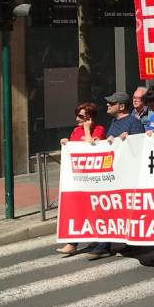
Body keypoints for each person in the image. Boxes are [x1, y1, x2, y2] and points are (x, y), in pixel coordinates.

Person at [57, 103, 104, 255]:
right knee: (77, 209)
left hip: (94, 179)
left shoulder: (99, 129)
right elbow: (73, 148)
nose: (77, 119)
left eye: (81, 116)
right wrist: (66, 142)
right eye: (77, 115)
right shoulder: (76, 130)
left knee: (96, 210)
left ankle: (102, 241)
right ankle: (72, 243)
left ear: (90, 118)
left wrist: (86, 130)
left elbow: (93, 147)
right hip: (78, 178)